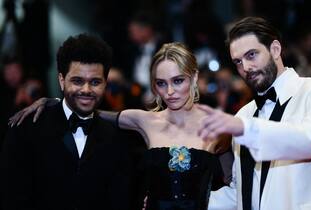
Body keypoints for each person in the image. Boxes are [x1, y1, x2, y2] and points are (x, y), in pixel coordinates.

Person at [8, 42, 232, 210]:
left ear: (193, 78)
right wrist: (55, 102)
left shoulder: (219, 126)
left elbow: (236, 185)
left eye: (178, 81)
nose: (170, 92)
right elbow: (89, 109)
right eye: (161, 84)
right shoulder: (144, 120)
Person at [199, 17, 311, 210]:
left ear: (275, 49)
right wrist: (181, 201)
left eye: (251, 55)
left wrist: (244, 128)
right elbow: (241, 193)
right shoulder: (243, 115)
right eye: (238, 62)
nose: (245, 68)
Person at [1, 34, 141, 210]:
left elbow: (120, 201)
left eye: (95, 82)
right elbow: (11, 197)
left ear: (105, 83)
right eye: (77, 81)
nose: (86, 90)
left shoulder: (116, 137)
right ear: (61, 80)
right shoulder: (26, 128)